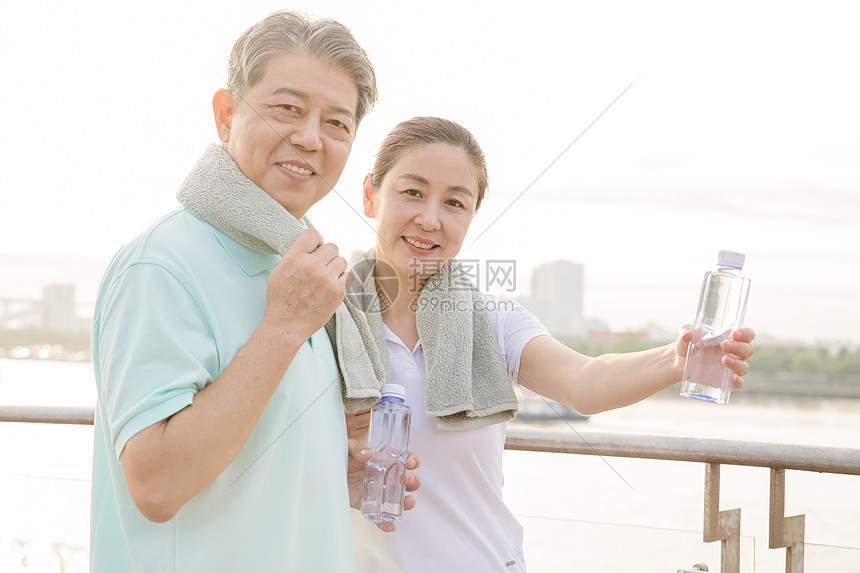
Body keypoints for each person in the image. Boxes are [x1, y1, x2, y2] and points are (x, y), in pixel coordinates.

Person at [346, 116, 756, 572]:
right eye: (412, 192)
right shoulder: (322, 319)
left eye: (455, 203)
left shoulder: (495, 322)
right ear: (370, 195)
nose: (430, 219)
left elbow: (583, 382)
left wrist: (675, 358)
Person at [89, 11, 417, 572]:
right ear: (225, 114)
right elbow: (157, 483)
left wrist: (336, 474)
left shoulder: (301, 268)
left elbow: (249, 444)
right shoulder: (161, 265)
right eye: (287, 108)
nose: (310, 137)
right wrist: (283, 327)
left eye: (337, 123)